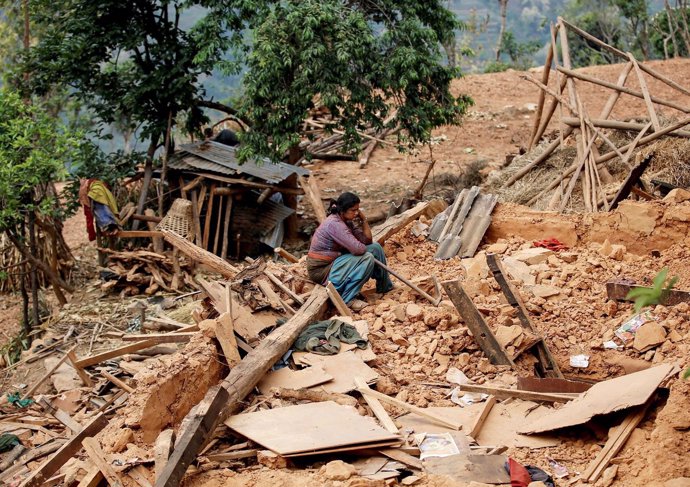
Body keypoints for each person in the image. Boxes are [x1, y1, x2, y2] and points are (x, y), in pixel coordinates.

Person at [307, 192, 393, 310]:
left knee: (375, 248)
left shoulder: (346, 222)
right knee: (367, 257)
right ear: (342, 210)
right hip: (322, 269)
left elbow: (367, 241)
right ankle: (348, 299)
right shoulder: (334, 224)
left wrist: (364, 220)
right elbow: (359, 249)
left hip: (336, 261)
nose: (357, 213)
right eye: (353, 210)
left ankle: (385, 287)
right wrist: (356, 245)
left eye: (358, 210)